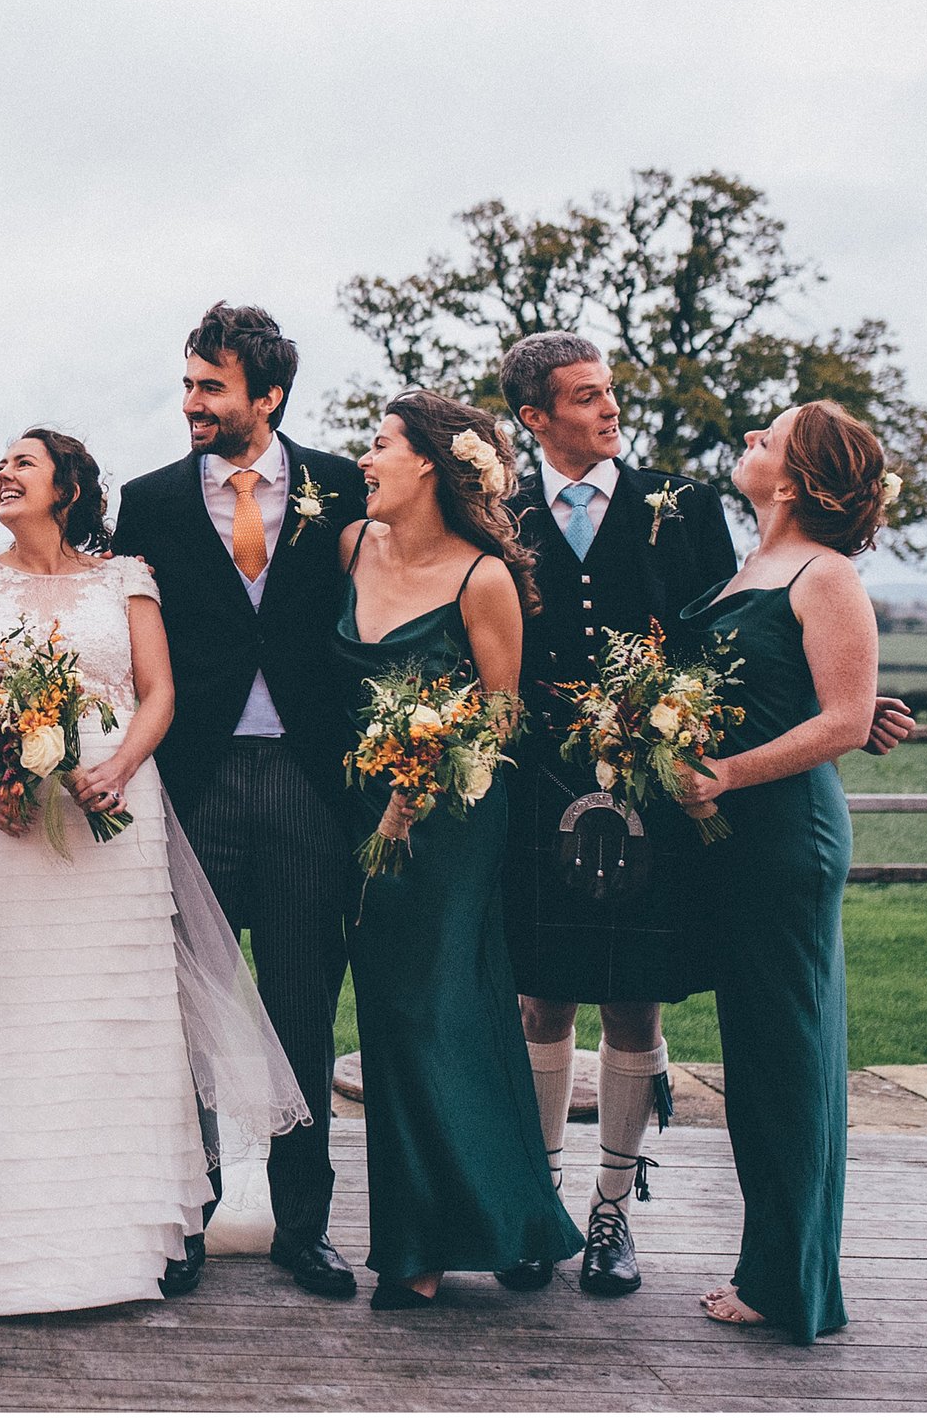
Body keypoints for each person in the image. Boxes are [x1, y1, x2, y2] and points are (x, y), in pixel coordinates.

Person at [496, 333, 916, 1297]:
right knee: (542, 992)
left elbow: (721, 658)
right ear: (535, 418)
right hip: (541, 789)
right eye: (585, 396)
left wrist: (840, 710)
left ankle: (612, 1214)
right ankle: (540, 1205)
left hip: (669, 796)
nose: (610, 409)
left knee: (633, 993)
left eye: (612, 391)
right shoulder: (503, 514)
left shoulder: (680, 506)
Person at [0, 430, 309, 1318]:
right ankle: (11, 1247)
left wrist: (119, 769)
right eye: (0, 464)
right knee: (22, 1019)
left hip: (119, 811)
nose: (4, 474)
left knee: (121, 1018)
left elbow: (160, 693)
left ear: (68, 486)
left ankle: (131, 1240)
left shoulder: (124, 576)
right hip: (19, 823)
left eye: (22, 463)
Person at [112, 304, 369, 1301]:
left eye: (211, 386)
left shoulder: (342, 487)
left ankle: (305, 1225)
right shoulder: (148, 502)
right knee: (187, 1012)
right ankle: (190, 1214)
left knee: (304, 1002)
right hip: (196, 784)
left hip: (310, 783)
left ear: (265, 396)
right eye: (187, 384)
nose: (192, 404)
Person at [335, 390, 581, 1309]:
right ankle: (457, 1229)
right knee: (392, 1023)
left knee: (438, 1010)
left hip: (454, 821)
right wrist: (378, 783)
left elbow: (505, 712)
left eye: (380, 444)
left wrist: (427, 767)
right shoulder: (350, 547)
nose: (365, 458)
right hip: (360, 811)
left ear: (430, 464)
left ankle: (454, 1240)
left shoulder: (484, 577)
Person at [672, 400, 888, 1344]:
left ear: (795, 480)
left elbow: (844, 719)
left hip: (784, 839)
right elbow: (777, 689)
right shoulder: (751, 567)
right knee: (758, 1062)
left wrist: (722, 772)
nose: (750, 439)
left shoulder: (826, 573)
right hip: (732, 843)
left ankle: (790, 1285)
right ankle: (777, 1265)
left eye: (770, 436)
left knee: (787, 1065)